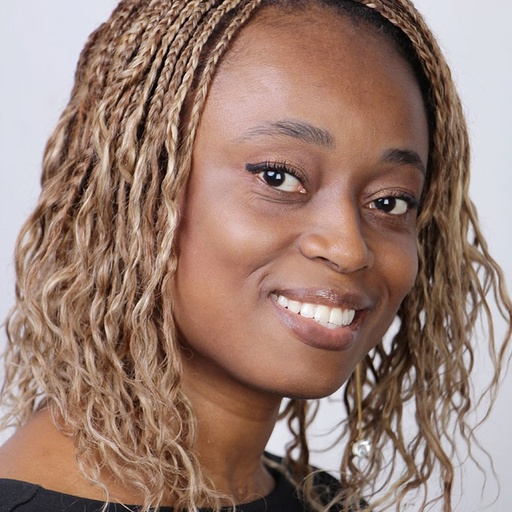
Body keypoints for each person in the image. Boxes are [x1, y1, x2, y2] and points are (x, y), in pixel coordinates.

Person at [0, 0, 510, 511]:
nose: (349, 248)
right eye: (278, 176)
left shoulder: (325, 501)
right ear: (134, 186)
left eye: (390, 201)